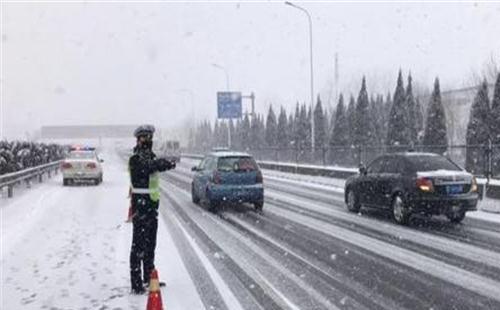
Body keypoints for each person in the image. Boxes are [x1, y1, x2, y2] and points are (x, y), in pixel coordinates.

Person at [128, 124, 175, 294]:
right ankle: (136, 283)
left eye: (150, 137)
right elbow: (147, 168)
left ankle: (149, 277)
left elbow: (152, 166)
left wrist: (163, 163)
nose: (148, 140)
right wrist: (162, 163)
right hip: (140, 208)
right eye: (144, 137)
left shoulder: (151, 157)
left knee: (150, 245)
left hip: (151, 207)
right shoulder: (135, 159)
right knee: (138, 247)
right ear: (138, 140)